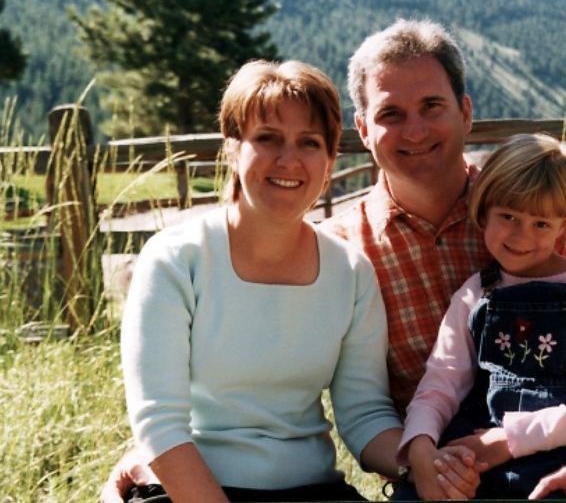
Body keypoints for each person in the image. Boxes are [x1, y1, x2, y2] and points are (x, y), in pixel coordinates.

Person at [105, 19, 566, 500]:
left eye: (432, 106)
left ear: (466, 112)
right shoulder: (348, 253)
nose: (415, 129)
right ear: (365, 132)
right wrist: (422, 458)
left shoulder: (535, 213)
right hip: (446, 481)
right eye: (391, 114)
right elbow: (345, 407)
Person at [115, 59, 475, 502]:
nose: (289, 159)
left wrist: (423, 463)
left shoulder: (350, 270)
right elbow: (159, 424)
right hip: (191, 491)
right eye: (268, 139)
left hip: (314, 491)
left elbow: (363, 414)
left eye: (309, 142)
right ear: (232, 149)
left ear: (328, 161)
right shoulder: (176, 259)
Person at [399, 134, 566, 500]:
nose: (520, 235)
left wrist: (510, 439)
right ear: (484, 211)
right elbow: (440, 384)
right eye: (507, 216)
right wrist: (421, 444)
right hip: (478, 461)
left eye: (540, 223)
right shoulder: (474, 292)